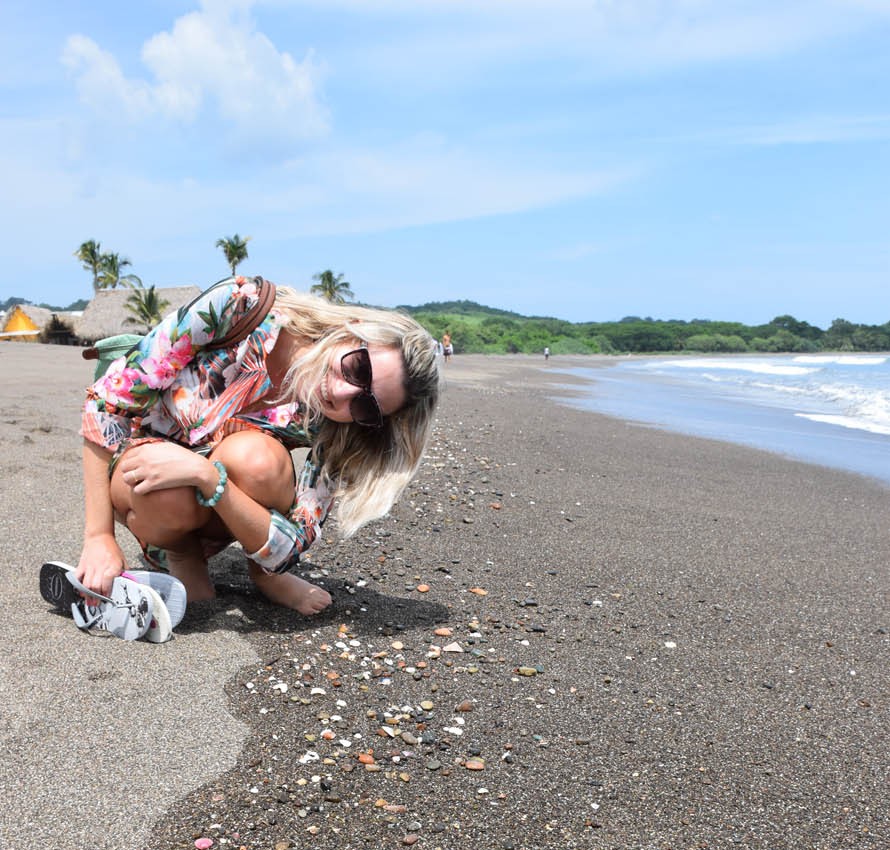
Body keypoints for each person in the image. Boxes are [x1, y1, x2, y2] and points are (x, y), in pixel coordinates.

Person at [76, 277, 440, 616]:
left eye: (367, 405)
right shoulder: (240, 306)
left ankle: (264, 577)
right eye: (358, 368)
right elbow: (107, 403)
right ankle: (182, 552)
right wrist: (99, 537)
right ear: (354, 332)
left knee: (259, 460)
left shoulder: (340, 427)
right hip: (146, 485)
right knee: (167, 493)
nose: (342, 393)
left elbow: (297, 537)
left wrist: (206, 477)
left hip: (221, 499)